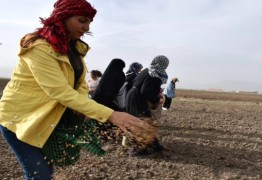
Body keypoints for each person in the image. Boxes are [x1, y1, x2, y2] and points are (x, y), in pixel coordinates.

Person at [0, 0, 156, 179]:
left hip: (46, 118)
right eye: (82, 20)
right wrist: (113, 115)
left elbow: (80, 84)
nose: (86, 27)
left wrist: (82, 109)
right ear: (63, 17)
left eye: (89, 22)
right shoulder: (39, 47)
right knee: (39, 174)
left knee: (46, 170)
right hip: (19, 118)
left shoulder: (72, 49)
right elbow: (59, 91)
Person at [125, 55, 169, 156]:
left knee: (146, 123)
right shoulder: (154, 74)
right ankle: (138, 150)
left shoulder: (148, 70)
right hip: (137, 99)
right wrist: (158, 99)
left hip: (133, 96)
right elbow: (145, 90)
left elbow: (143, 86)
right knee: (141, 123)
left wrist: (156, 91)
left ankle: (154, 146)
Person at [92, 58, 126, 142]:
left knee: (100, 119)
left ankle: (102, 136)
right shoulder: (120, 74)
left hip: (97, 99)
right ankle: (112, 136)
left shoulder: (107, 74)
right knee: (114, 117)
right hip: (107, 100)